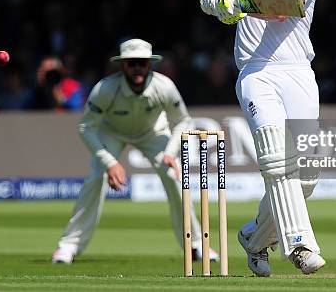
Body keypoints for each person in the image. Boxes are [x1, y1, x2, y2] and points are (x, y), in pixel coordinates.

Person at [198, 0, 325, 276]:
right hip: (256, 72)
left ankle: (253, 239)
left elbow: (284, 7)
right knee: (274, 158)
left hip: (298, 72)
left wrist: (236, 4)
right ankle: (300, 245)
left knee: (307, 177)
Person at [52, 39, 217, 263]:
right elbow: (85, 127)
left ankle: (196, 245)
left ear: (150, 65)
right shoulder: (105, 89)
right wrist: (110, 162)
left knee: (173, 178)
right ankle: (68, 246)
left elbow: (183, 121)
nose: (137, 68)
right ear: (122, 66)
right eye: (132, 63)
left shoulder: (164, 86)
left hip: (153, 133)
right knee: (95, 178)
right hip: (112, 133)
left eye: (142, 63)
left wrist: (170, 152)